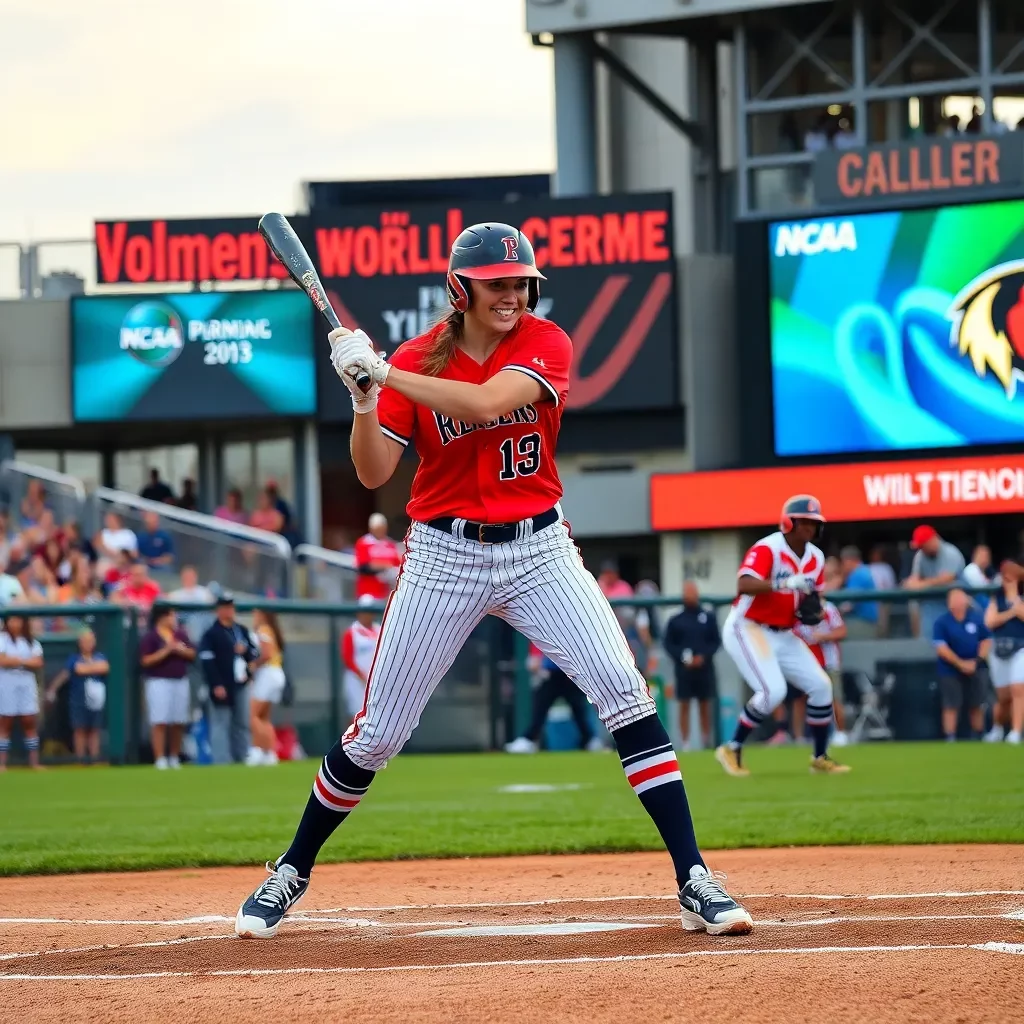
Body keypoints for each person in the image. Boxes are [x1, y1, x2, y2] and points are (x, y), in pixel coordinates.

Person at [234, 221, 752, 940]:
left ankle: (694, 876)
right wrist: (361, 396)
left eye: (519, 283)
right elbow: (375, 472)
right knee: (378, 733)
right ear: (461, 289)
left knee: (625, 692)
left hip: (539, 548)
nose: (511, 294)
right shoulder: (416, 360)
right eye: (496, 284)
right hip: (444, 556)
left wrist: (382, 372)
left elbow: (482, 404)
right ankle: (290, 870)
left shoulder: (544, 342)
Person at [715, 494, 850, 777]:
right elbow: (744, 584)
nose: (809, 529)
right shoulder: (769, 548)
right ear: (789, 522)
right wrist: (784, 583)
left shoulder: (816, 557)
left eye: (814, 524)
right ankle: (732, 747)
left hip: (785, 631)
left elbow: (815, 599)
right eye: (804, 522)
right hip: (748, 627)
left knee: (821, 685)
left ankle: (820, 756)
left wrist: (814, 607)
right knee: (773, 691)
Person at [505, 645, 604, 753]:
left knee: (579, 710)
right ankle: (529, 740)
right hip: (550, 675)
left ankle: (590, 740)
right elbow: (534, 661)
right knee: (540, 710)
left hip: (570, 675)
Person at [200, 594, 259, 765]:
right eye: (225, 608)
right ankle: (222, 760)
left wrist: (245, 650)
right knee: (221, 722)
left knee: (241, 721)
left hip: (240, 682)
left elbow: (254, 653)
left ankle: (242, 755)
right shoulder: (212, 634)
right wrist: (216, 684)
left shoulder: (241, 630)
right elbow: (207, 661)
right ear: (218, 610)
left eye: (231, 607)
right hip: (222, 684)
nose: (229, 611)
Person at [662, 581, 721, 751]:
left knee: (705, 704)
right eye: (687, 592)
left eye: (692, 592)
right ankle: (685, 742)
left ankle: (705, 740)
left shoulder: (708, 617)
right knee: (684, 704)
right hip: (683, 670)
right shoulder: (676, 620)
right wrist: (682, 658)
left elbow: (716, 642)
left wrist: (703, 657)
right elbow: (668, 644)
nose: (690, 596)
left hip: (705, 669)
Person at [139, 604, 195, 768]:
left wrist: (179, 650)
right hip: (158, 681)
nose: (174, 619)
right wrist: (166, 651)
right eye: (171, 615)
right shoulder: (151, 636)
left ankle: (174, 756)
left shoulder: (180, 634)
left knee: (178, 720)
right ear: (162, 617)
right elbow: (145, 660)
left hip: (180, 680)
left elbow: (192, 653)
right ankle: (160, 758)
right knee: (160, 720)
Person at [933, 588, 991, 742]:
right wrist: (960, 663)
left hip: (976, 667)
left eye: (960, 599)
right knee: (951, 704)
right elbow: (941, 648)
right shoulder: (941, 622)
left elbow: (986, 640)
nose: (957, 603)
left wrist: (976, 661)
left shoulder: (977, 619)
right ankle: (950, 737)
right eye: (954, 600)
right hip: (949, 669)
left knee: (977, 703)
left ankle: (978, 736)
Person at [46, 627, 109, 764]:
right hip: (78, 699)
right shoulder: (73, 658)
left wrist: (86, 668)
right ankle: (80, 759)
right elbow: (74, 670)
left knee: (94, 730)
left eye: (90, 640)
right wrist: (52, 689)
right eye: (84, 641)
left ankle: (94, 759)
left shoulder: (101, 656)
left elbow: (104, 667)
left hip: (96, 701)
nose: (88, 644)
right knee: (79, 729)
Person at [794, 597, 849, 746]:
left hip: (829, 662)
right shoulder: (794, 609)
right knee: (801, 698)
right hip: (806, 662)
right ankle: (799, 737)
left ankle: (840, 733)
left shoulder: (829, 608)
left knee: (834, 697)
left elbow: (842, 631)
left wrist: (823, 636)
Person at [983, 563, 1024, 744]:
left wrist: (1015, 599)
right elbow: (990, 622)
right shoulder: (996, 598)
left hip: (1020, 647)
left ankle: (1015, 732)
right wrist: (1011, 612)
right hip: (999, 649)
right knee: (1003, 697)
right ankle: (998, 728)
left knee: (1018, 689)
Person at [905, 525, 966, 639]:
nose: (922, 548)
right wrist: (911, 583)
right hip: (932, 606)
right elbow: (914, 580)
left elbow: (947, 578)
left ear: (933, 539)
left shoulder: (950, 552)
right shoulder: (921, 555)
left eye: (924, 545)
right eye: (920, 546)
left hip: (955, 605)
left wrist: (922, 584)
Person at [0, 614, 44, 770]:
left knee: (29, 720)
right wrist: (24, 661)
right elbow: (2, 660)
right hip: (7, 683)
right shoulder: (3, 639)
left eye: (18, 620)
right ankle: (2, 763)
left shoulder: (31, 641)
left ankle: (34, 762)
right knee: (5, 721)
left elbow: (38, 662)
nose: (15, 623)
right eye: (12, 620)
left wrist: (17, 660)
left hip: (26, 683)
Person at [247, 609, 287, 766]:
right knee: (264, 717)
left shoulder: (263, 629)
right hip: (276, 673)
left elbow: (267, 654)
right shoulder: (272, 630)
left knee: (253, 715)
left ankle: (257, 749)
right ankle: (269, 753)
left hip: (268, 674)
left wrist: (253, 665)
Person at [341, 594, 382, 718]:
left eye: (369, 612)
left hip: (376, 681)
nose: (366, 616)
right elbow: (347, 658)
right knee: (356, 715)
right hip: (357, 682)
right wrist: (362, 676)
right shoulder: (352, 632)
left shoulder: (379, 630)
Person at [353, 513, 404, 601]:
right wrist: (385, 566)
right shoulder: (364, 542)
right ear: (371, 529)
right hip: (368, 591)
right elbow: (364, 567)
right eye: (378, 528)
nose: (381, 531)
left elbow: (397, 565)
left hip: (387, 591)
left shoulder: (390, 544)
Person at [838, 546, 878, 639]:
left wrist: (834, 613)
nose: (843, 566)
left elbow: (848, 604)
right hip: (868, 621)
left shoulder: (858, 574)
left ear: (849, 560)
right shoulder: (864, 570)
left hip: (861, 622)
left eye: (843, 562)